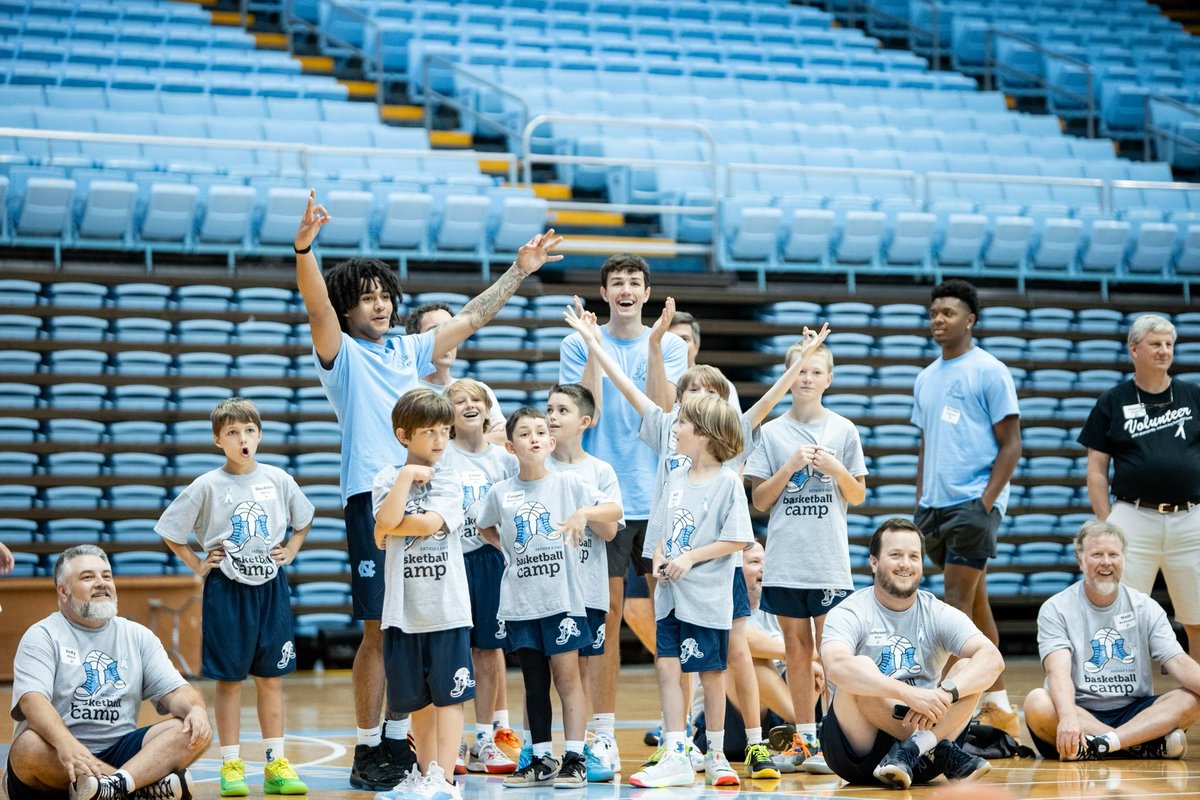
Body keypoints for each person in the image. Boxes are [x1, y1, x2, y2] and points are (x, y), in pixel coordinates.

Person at [294, 191, 562, 789]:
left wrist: (518, 270)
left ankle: (400, 739)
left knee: (420, 624)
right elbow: (315, 306)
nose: (382, 304)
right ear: (347, 308)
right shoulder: (342, 355)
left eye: (386, 295)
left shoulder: (408, 350)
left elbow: (470, 318)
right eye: (367, 298)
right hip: (374, 496)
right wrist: (305, 247)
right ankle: (369, 745)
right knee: (376, 624)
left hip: (430, 497)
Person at [564, 299, 828, 780]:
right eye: (688, 391)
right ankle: (683, 743)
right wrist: (594, 345)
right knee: (672, 660)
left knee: (733, 654)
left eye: (705, 391)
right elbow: (624, 388)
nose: (693, 397)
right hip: (673, 564)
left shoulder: (728, 440)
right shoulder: (669, 429)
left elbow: (768, 401)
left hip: (716, 567)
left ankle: (748, 743)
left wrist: (798, 364)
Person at [557, 254, 690, 775]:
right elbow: (582, 410)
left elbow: (663, 411)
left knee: (671, 621)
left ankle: (677, 735)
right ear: (605, 293)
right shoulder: (577, 342)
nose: (627, 290)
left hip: (660, 499)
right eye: (617, 283)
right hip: (604, 499)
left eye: (635, 282)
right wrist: (592, 345)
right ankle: (604, 734)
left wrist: (655, 346)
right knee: (606, 623)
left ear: (647, 292)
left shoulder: (672, 344)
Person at [156, 398, 314, 797]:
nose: (242, 439)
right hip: (226, 590)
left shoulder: (278, 478)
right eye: (232, 433)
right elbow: (171, 530)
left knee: (271, 679)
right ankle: (231, 764)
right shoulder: (207, 485)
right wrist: (195, 563)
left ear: (259, 435)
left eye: (248, 431)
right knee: (229, 681)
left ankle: (276, 763)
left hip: (271, 589)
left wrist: (292, 550)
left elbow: (304, 518)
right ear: (217, 440)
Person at [476, 408, 622, 789]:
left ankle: (574, 757)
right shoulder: (501, 492)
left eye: (541, 432)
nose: (535, 438)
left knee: (568, 678)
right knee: (534, 681)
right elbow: (483, 524)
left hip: (563, 602)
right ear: (511, 446)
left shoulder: (568, 484)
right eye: (524, 434)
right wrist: (505, 548)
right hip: (522, 602)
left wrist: (582, 514)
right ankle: (540, 758)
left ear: (551, 442)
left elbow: (614, 510)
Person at [745, 338, 867, 774]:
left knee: (832, 654)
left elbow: (857, 493)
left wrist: (835, 470)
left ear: (829, 379)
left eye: (816, 371)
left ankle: (837, 740)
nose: (808, 378)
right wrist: (789, 467)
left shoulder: (844, 430)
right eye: (800, 371)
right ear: (787, 378)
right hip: (786, 561)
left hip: (829, 561)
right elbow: (759, 499)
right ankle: (806, 739)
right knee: (796, 653)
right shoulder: (773, 432)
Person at [5, 546, 212, 800]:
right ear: (63, 590)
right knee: (27, 747)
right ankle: (137, 789)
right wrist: (65, 743)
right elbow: (31, 700)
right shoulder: (42, 635)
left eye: (107, 576)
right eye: (88, 577)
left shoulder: (137, 636)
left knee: (193, 728)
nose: (101, 583)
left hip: (121, 752)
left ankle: (112, 788)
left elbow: (177, 692)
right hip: (58, 761)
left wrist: (196, 710)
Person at [911, 279, 1021, 739]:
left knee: (954, 605)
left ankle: (943, 709)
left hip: (971, 504)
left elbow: (1012, 445)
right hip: (933, 508)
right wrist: (921, 501)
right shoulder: (925, 377)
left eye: (949, 313)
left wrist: (985, 502)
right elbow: (924, 445)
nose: (939, 320)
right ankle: (998, 706)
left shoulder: (990, 371)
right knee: (976, 605)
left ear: (970, 319)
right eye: (934, 313)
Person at [626, 395, 753, 788]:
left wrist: (691, 558)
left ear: (702, 434)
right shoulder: (675, 477)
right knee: (667, 666)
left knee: (712, 673)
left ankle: (714, 752)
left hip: (708, 596)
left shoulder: (727, 481)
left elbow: (736, 539)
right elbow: (661, 530)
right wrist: (661, 557)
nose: (674, 430)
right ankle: (677, 749)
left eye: (681, 424)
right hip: (670, 595)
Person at [820, 518, 1004, 791]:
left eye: (913, 556)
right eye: (895, 555)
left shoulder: (936, 611)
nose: (905, 563)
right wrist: (907, 693)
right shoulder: (850, 611)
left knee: (969, 667)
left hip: (922, 753)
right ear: (874, 562)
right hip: (859, 751)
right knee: (859, 669)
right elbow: (835, 666)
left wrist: (946, 694)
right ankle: (936, 747)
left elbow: (992, 659)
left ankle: (917, 748)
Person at [1023, 519, 1200, 761]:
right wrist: (1067, 717)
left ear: (1123, 560)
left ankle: (1102, 745)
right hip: (1080, 711)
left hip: (1135, 712)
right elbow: (1058, 673)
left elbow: (1178, 662)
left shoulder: (1144, 606)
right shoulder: (1056, 608)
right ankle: (1139, 744)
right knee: (1037, 702)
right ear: (1080, 560)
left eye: (1113, 554)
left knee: (1192, 698)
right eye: (1097, 554)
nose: (1106, 562)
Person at [1078, 314, 1200, 660]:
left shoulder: (1193, 397)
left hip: (1191, 518)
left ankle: (1195, 695)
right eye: (1155, 344)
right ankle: (1123, 691)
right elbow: (1097, 470)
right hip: (1132, 517)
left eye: (1169, 345)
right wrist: (1107, 523)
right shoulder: (1112, 401)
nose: (1164, 351)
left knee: (1197, 616)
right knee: (1121, 613)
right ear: (1134, 349)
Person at [370, 389, 470, 800]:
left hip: (445, 610)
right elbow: (383, 521)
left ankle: (445, 780)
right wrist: (407, 478)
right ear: (403, 435)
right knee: (418, 701)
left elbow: (426, 524)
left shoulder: (450, 476)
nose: (439, 439)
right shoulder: (385, 477)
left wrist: (391, 525)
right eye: (429, 431)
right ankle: (425, 773)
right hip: (402, 611)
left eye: (445, 430)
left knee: (449, 697)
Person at [435, 379, 520, 774]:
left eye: (476, 400)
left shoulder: (505, 461)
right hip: (452, 560)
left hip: (490, 561)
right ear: (448, 414)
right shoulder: (441, 456)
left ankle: (485, 737)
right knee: (452, 648)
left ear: (489, 410)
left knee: (487, 650)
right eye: (458, 400)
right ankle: (450, 742)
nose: (468, 405)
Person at [545, 383, 623, 782]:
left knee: (583, 670)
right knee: (545, 673)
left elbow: (610, 532)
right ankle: (537, 748)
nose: (552, 417)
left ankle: (584, 747)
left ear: (585, 421)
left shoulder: (600, 471)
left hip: (587, 589)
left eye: (562, 410)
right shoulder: (535, 463)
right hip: (543, 590)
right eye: (549, 409)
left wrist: (584, 512)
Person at [407, 302, 506, 446]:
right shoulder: (406, 391)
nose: (446, 339)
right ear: (417, 342)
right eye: (435, 332)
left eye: (451, 331)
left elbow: (505, 437)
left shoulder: (478, 390)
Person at [667, 310, 740, 409]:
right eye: (671, 339)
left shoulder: (720, 385)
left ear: (696, 346)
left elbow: (735, 424)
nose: (678, 345)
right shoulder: (649, 383)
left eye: (684, 339)